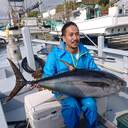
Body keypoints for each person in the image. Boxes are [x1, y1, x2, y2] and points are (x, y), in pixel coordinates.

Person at [43, 21, 100, 128]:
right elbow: (47, 75)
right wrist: (42, 83)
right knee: (71, 106)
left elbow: (94, 70)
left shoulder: (84, 52)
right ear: (64, 38)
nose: (75, 37)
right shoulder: (55, 55)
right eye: (71, 35)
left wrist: (104, 77)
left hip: (84, 90)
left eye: (77, 34)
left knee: (91, 105)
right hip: (64, 91)